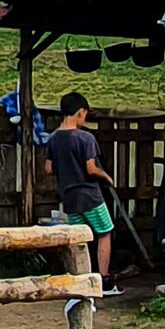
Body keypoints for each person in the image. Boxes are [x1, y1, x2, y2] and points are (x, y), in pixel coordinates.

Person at [42, 92, 118, 293]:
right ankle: (104, 278)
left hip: (69, 196)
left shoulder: (53, 139)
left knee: (79, 237)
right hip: (90, 195)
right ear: (80, 112)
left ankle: (80, 276)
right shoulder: (85, 138)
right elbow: (91, 168)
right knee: (104, 232)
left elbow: (48, 169)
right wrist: (106, 176)